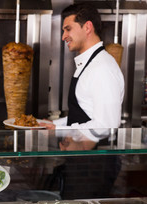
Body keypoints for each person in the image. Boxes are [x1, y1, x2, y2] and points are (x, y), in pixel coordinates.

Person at [41, 2, 124, 143]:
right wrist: (55, 125)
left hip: (97, 161)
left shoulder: (101, 68)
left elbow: (106, 125)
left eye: (68, 29)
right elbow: (84, 115)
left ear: (87, 27)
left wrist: (60, 131)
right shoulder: (90, 64)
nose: (63, 37)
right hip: (82, 157)